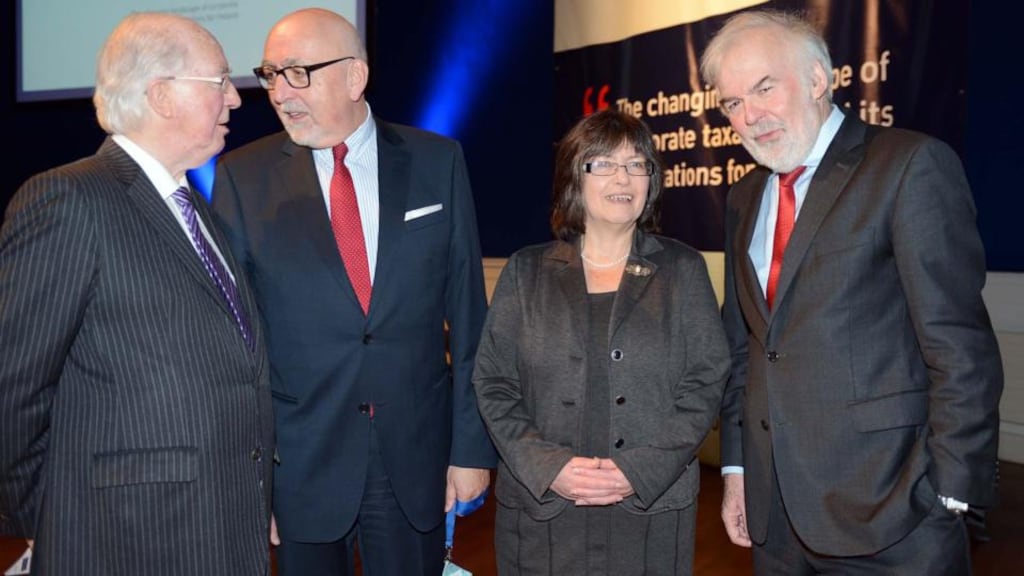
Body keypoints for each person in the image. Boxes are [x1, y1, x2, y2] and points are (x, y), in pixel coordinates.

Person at [700, 9, 1004, 575]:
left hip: (894, 515)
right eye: (733, 103)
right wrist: (738, 472)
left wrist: (950, 494)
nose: (749, 116)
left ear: (818, 79)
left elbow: (960, 348)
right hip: (775, 520)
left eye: (764, 88)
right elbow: (745, 352)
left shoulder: (908, 166)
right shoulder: (744, 197)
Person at [210, 8, 496, 576]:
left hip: (414, 458)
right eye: (271, 75)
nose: (280, 93)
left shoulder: (436, 161)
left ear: (354, 76)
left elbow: (470, 319)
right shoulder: (244, 176)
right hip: (301, 464)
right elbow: (237, 344)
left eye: (298, 72)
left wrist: (471, 450)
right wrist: (253, 480)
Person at [0, 12, 274, 576]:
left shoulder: (197, 210)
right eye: (220, 80)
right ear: (161, 95)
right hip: (125, 538)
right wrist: (51, 512)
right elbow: (14, 387)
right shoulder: (70, 199)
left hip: (223, 525)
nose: (235, 99)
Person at [472, 109, 731, 575]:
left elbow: (706, 381)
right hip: (544, 513)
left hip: (649, 512)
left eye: (637, 164)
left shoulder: (683, 270)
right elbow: (493, 383)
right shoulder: (525, 271)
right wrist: (547, 466)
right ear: (576, 176)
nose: (623, 177)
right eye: (604, 163)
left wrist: (641, 469)